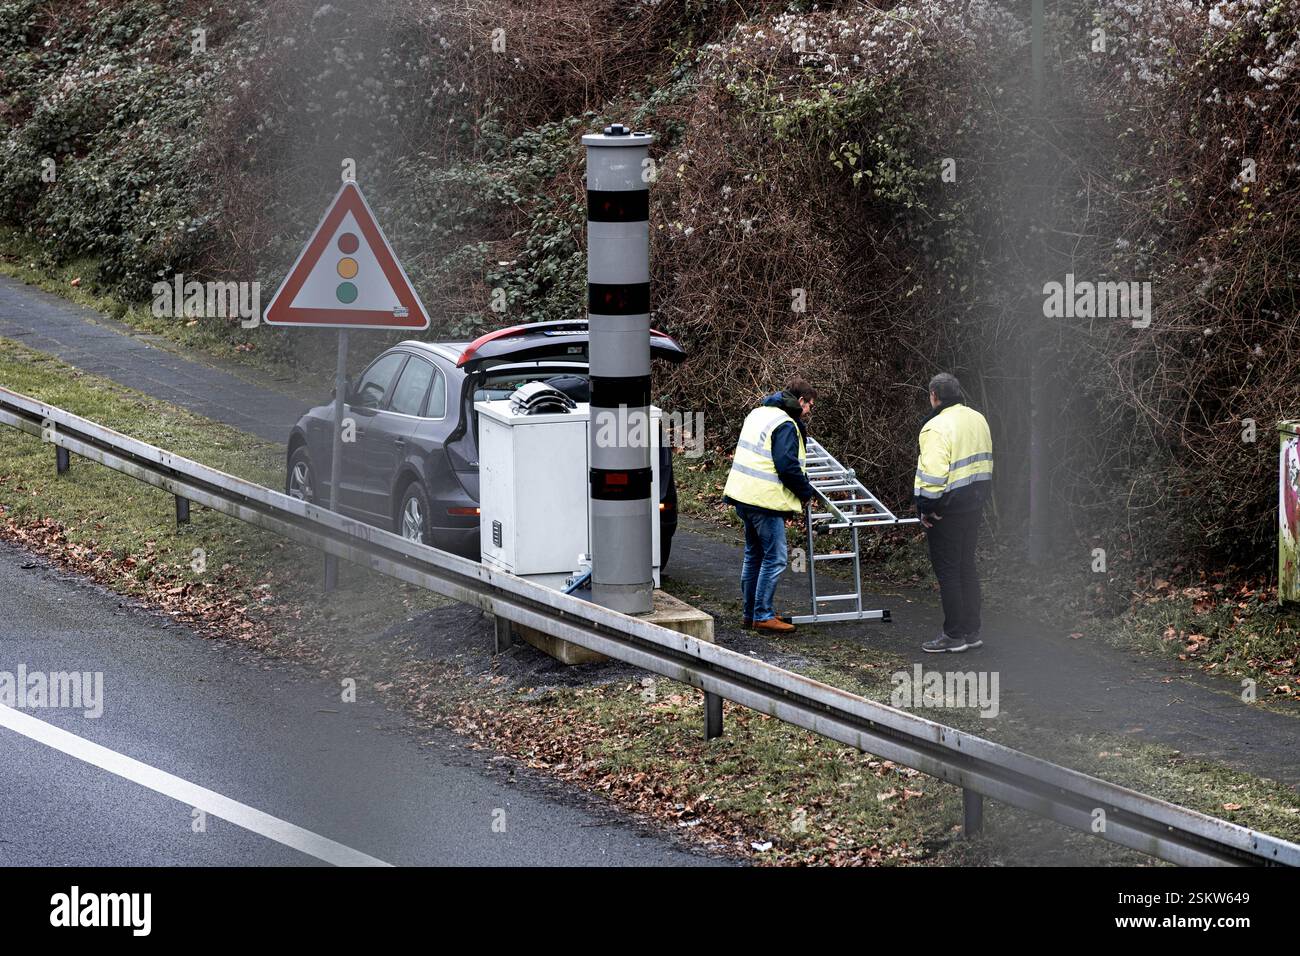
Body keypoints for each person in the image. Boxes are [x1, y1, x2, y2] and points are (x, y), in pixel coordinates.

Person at [722, 378, 817, 633]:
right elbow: (786, 465)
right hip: (765, 501)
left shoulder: (758, 413)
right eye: (809, 406)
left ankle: (750, 613)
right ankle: (763, 615)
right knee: (775, 558)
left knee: (754, 556)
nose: (809, 412)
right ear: (800, 401)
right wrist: (805, 492)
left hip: (743, 496)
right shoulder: (786, 424)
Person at [914, 372, 994, 653]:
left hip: (945, 510)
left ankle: (953, 635)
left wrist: (927, 508)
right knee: (966, 567)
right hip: (974, 505)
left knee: (948, 573)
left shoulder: (936, 427)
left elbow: (934, 476)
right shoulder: (978, 419)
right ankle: (972, 632)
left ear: (934, 395)